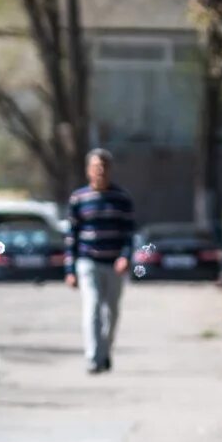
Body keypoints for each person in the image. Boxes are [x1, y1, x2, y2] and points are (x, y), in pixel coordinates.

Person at [63, 147, 136, 374]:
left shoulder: (121, 199)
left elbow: (130, 234)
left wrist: (125, 257)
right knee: (92, 307)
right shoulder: (79, 198)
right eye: (96, 167)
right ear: (88, 170)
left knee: (111, 312)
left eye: (104, 167)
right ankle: (94, 358)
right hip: (88, 262)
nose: (100, 171)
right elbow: (71, 235)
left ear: (110, 170)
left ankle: (105, 352)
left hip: (114, 263)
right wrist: (70, 269)